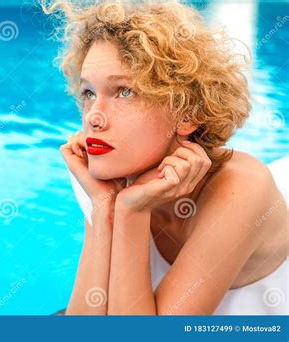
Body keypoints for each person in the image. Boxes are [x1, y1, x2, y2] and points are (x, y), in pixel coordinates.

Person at [42, 0, 288, 315]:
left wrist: (130, 212)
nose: (93, 118)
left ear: (187, 114)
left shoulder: (242, 188)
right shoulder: (102, 170)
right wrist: (105, 209)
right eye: (89, 93)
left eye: (124, 92)